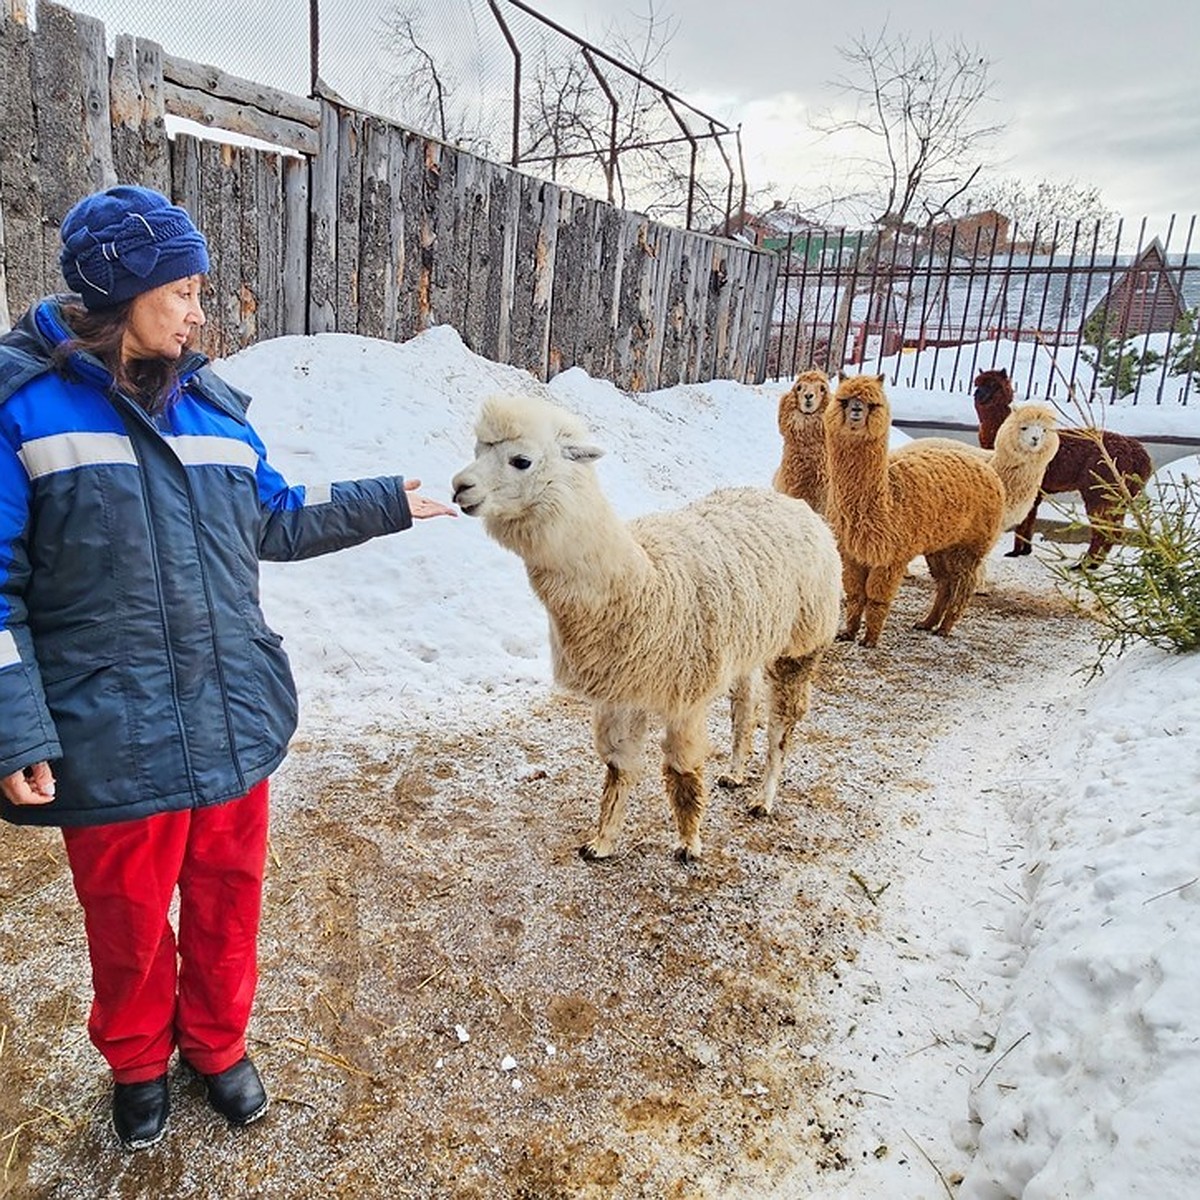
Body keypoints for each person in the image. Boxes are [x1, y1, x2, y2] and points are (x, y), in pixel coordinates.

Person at [0, 185, 456, 1151]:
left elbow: (275, 513)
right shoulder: (22, 413)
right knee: (125, 923)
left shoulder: (211, 407)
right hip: (110, 732)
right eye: (185, 291)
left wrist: (383, 500)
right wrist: (14, 722)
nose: (202, 311)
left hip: (227, 714)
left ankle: (215, 1043)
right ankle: (134, 1061)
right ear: (125, 294)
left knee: (227, 899)